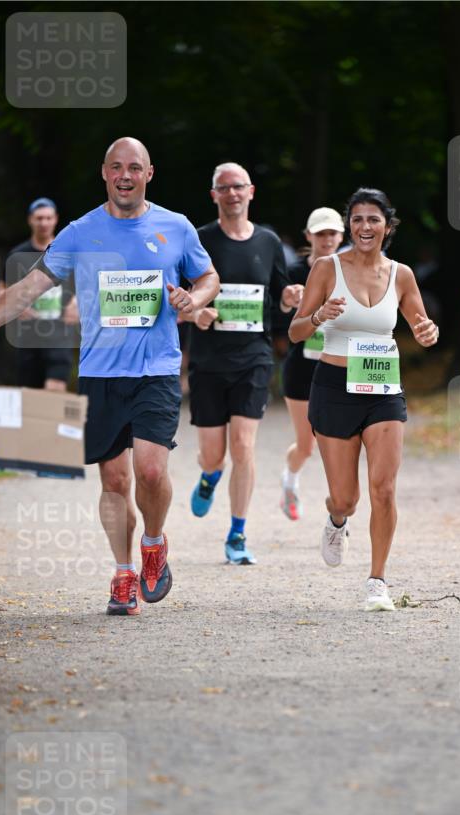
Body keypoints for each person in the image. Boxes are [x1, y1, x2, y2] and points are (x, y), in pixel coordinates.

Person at [0, 136, 220, 616]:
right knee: (113, 482)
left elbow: (208, 277)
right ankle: (124, 573)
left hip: (156, 369)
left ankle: (154, 543)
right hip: (100, 372)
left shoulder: (176, 227)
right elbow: (30, 286)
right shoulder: (79, 232)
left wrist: (197, 298)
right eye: (115, 167)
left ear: (149, 173)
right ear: (104, 173)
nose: (125, 175)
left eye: (134, 167)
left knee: (151, 469)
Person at [289, 187, 438, 612]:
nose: (365, 226)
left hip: (383, 388)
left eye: (373, 219)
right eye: (357, 219)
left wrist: (430, 333)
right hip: (334, 386)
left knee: (384, 488)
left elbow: (421, 324)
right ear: (349, 225)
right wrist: (318, 316)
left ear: (387, 226)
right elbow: (297, 333)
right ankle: (337, 521)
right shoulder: (326, 267)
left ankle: (377, 580)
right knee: (346, 498)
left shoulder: (402, 274)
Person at [188, 162, 303, 565]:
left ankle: (237, 534)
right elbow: (185, 297)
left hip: (253, 356)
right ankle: (208, 477)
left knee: (244, 446)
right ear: (214, 195)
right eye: (224, 187)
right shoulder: (199, 240)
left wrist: (289, 297)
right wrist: (195, 313)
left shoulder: (269, 241)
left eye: (239, 186)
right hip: (207, 359)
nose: (232, 193)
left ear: (251, 191)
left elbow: (279, 293)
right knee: (213, 455)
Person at [279, 207, 345, 520]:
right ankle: (289, 481)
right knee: (306, 447)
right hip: (301, 369)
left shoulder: (352, 270)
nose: (327, 239)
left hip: (340, 367)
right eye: (320, 233)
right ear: (309, 236)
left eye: (332, 233)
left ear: (342, 236)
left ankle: (340, 509)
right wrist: (286, 302)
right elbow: (278, 322)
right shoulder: (292, 272)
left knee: (340, 445)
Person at [3, 198, 78, 391]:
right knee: (27, 393)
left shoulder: (68, 252)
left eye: (48, 218)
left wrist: (77, 302)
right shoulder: (18, 254)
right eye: (39, 218)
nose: (43, 223)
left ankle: (51, 422)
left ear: (56, 219)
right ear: (30, 220)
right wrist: (15, 305)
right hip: (27, 335)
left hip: (59, 333)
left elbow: (87, 285)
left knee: (55, 388)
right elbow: (4, 288)